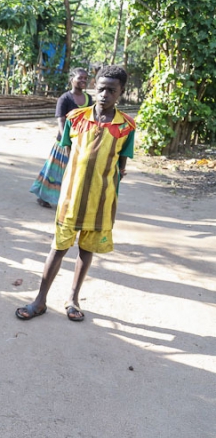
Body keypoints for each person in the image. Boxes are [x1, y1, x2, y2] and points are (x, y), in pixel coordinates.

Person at [16, 65, 135, 322]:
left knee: (85, 250)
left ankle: (73, 298)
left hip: (100, 201)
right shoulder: (75, 118)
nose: (104, 95)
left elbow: (121, 167)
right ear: (94, 87)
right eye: (100, 89)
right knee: (57, 248)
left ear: (121, 92)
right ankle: (40, 301)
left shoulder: (126, 127)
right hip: (70, 199)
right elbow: (69, 156)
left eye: (111, 90)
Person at [30, 67, 91, 208]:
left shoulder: (88, 99)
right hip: (64, 141)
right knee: (55, 172)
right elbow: (61, 121)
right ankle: (43, 197)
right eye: (80, 78)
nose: (83, 80)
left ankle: (70, 199)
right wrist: (66, 141)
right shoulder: (64, 99)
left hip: (80, 140)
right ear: (72, 79)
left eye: (85, 78)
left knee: (76, 171)